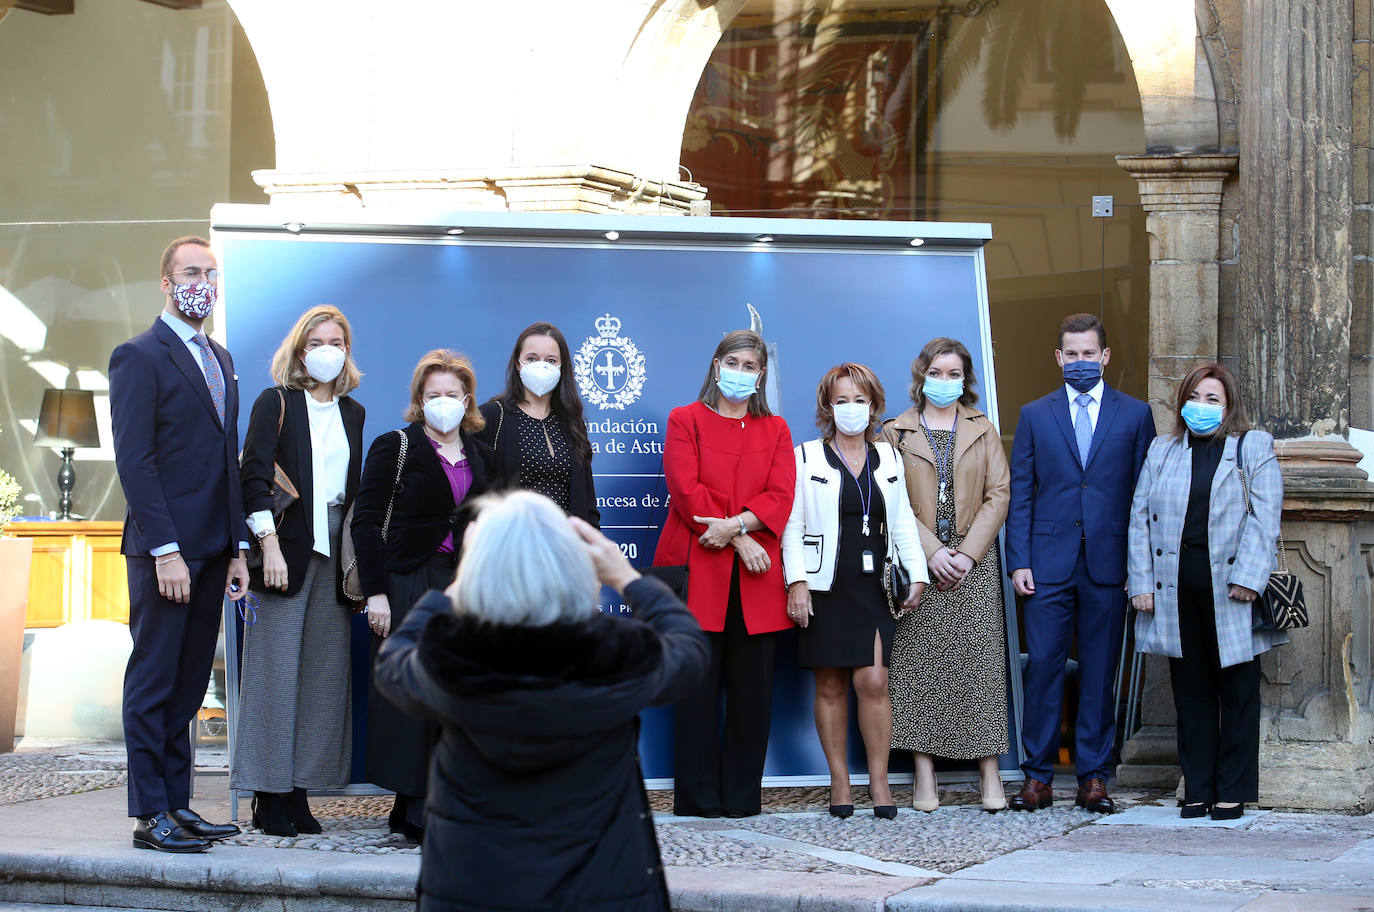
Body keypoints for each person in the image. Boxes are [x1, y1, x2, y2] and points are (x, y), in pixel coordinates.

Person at [374, 491, 708, 911]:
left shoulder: (452, 657)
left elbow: (393, 663)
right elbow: (690, 653)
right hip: (598, 893)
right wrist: (627, 577)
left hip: (473, 892)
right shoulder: (612, 653)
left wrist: (457, 585)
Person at [108, 235, 247, 852]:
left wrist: (238, 547)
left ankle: (178, 804)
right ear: (166, 283)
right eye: (191, 272)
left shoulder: (220, 357)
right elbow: (135, 462)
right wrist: (165, 548)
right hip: (166, 553)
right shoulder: (139, 355)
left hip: (215, 549)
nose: (203, 282)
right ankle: (149, 815)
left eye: (210, 273)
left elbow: (228, 461)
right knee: (155, 679)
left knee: (191, 685)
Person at [1005, 313, 1155, 814]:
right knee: (1043, 668)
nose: (1081, 361)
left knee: (1099, 671)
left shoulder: (1135, 415)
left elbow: (1143, 499)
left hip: (1110, 565)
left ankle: (1094, 776)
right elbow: (1021, 492)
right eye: (1072, 354)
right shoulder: (1034, 414)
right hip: (1045, 564)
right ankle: (1038, 777)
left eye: (1089, 353)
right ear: (1058, 357)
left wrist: (1141, 567)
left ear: (1105, 356)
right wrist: (1018, 559)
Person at [1128, 362, 1284, 821]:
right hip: (1175, 586)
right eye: (1194, 397)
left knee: (1237, 691)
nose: (1201, 407)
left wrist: (1250, 578)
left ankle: (1232, 791)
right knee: (1190, 692)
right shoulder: (1163, 449)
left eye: (1212, 399)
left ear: (1229, 405)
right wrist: (1141, 583)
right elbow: (1140, 517)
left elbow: (1265, 515)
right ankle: (1197, 788)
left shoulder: (1252, 447)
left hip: (1233, 586)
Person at [350, 349, 493, 844]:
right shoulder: (396, 446)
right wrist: (377, 593)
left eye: (452, 395)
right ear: (418, 399)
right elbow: (366, 523)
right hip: (407, 580)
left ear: (467, 399)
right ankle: (412, 808)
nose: (443, 403)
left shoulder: (480, 454)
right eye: (433, 395)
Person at [233, 305, 366, 836]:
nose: (327, 350)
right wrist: (267, 545)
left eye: (337, 341)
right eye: (317, 342)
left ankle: (301, 792)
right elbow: (254, 476)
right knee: (274, 674)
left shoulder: (353, 412)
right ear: (299, 349)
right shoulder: (277, 403)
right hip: (283, 549)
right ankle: (268, 794)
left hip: (334, 552)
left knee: (323, 677)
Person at [654, 329, 796, 818]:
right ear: (715, 365)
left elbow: (781, 494)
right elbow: (685, 489)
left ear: (761, 375)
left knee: (753, 696)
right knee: (695, 691)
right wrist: (737, 536)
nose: (740, 372)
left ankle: (742, 799)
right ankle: (696, 799)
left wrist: (736, 526)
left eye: (750, 366)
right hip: (699, 572)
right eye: (732, 362)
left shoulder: (775, 429)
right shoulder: (684, 419)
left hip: (757, 581)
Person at [781, 363, 927, 819]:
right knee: (829, 684)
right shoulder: (805, 456)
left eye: (859, 400)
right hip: (826, 584)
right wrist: (797, 582)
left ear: (873, 406)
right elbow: (793, 524)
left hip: (873, 584)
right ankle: (840, 782)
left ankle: (880, 784)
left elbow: (902, 517)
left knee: (874, 680)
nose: (851, 409)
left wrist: (917, 572)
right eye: (841, 400)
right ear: (828, 406)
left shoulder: (889, 458)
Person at [883, 338, 1012, 812]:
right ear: (921, 375)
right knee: (920, 669)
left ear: (966, 379)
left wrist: (967, 554)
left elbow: (999, 493)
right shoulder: (895, 431)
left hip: (972, 567)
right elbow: (892, 501)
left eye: (953, 373)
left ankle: (990, 774)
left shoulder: (983, 428)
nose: (944, 381)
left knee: (980, 670)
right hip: (920, 565)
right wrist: (933, 551)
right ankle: (924, 774)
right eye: (936, 372)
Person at [477, 321, 598, 524]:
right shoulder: (492, 417)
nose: (541, 366)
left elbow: (588, 503)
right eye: (531, 359)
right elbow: (476, 496)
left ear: (562, 367)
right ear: (518, 363)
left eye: (550, 360)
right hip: (514, 544)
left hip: (566, 545)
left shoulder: (573, 423)